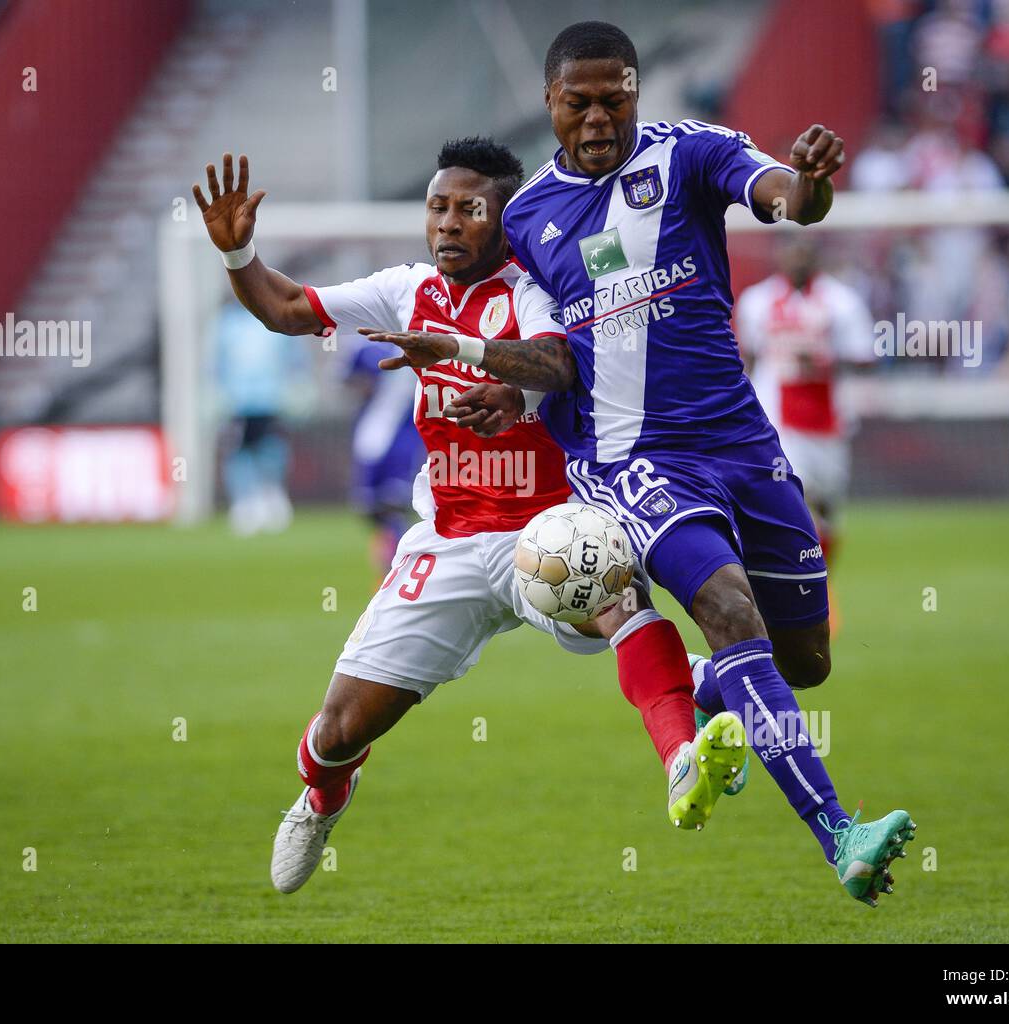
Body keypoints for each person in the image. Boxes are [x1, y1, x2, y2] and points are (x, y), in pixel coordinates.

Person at [360, 22, 915, 906]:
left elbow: (781, 194)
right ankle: (842, 834)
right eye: (577, 102)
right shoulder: (527, 217)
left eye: (614, 97)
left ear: (636, 93)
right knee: (729, 610)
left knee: (804, 659)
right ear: (549, 104)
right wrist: (508, 383)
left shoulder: (692, 153)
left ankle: (708, 700)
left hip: (743, 445)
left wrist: (807, 187)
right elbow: (538, 335)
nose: (596, 118)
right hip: (631, 462)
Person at [192, 138, 748, 896]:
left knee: (616, 599)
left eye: (468, 209)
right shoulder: (406, 288)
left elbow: (554, 363)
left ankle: (683, 756)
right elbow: (289, 308)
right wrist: (239, 254)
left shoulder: (533, 289)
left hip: (545, 526)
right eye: (438, 208)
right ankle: (323, 796)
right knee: (337, 732)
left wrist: (485, 369)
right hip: (447, 540)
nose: (448, 224)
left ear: (503, 220)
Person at [736, 236, 875, 570]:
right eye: (791, 253)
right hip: (777, 416)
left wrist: (824, 361)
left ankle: (823, 580)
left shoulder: (841, 301)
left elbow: (865, 356)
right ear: (779, 256)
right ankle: (800, 582)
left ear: (816, 256)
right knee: (799, 498)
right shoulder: (757, 301)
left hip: (827, 416)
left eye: (804, 254)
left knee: (827, 506)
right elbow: (749, 358)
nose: (797, 260)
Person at [214, 298, 305, 534]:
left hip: (270, 398)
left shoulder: (273, 320)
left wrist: (298, 386)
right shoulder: (227, 323)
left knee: (272, 449)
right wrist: (215, 395)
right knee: (239, 451)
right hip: (238, 401)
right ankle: (246, 502)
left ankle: (272, 495)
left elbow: (295, 358)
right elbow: (216, 362)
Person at [344, 338, 425, 574]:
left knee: (394, 504)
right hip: (371, 436)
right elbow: (347, 379)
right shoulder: (364, 345)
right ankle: (396, 561)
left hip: (404, 438)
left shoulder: (423, 339)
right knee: (369, 507)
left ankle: (400, 565)